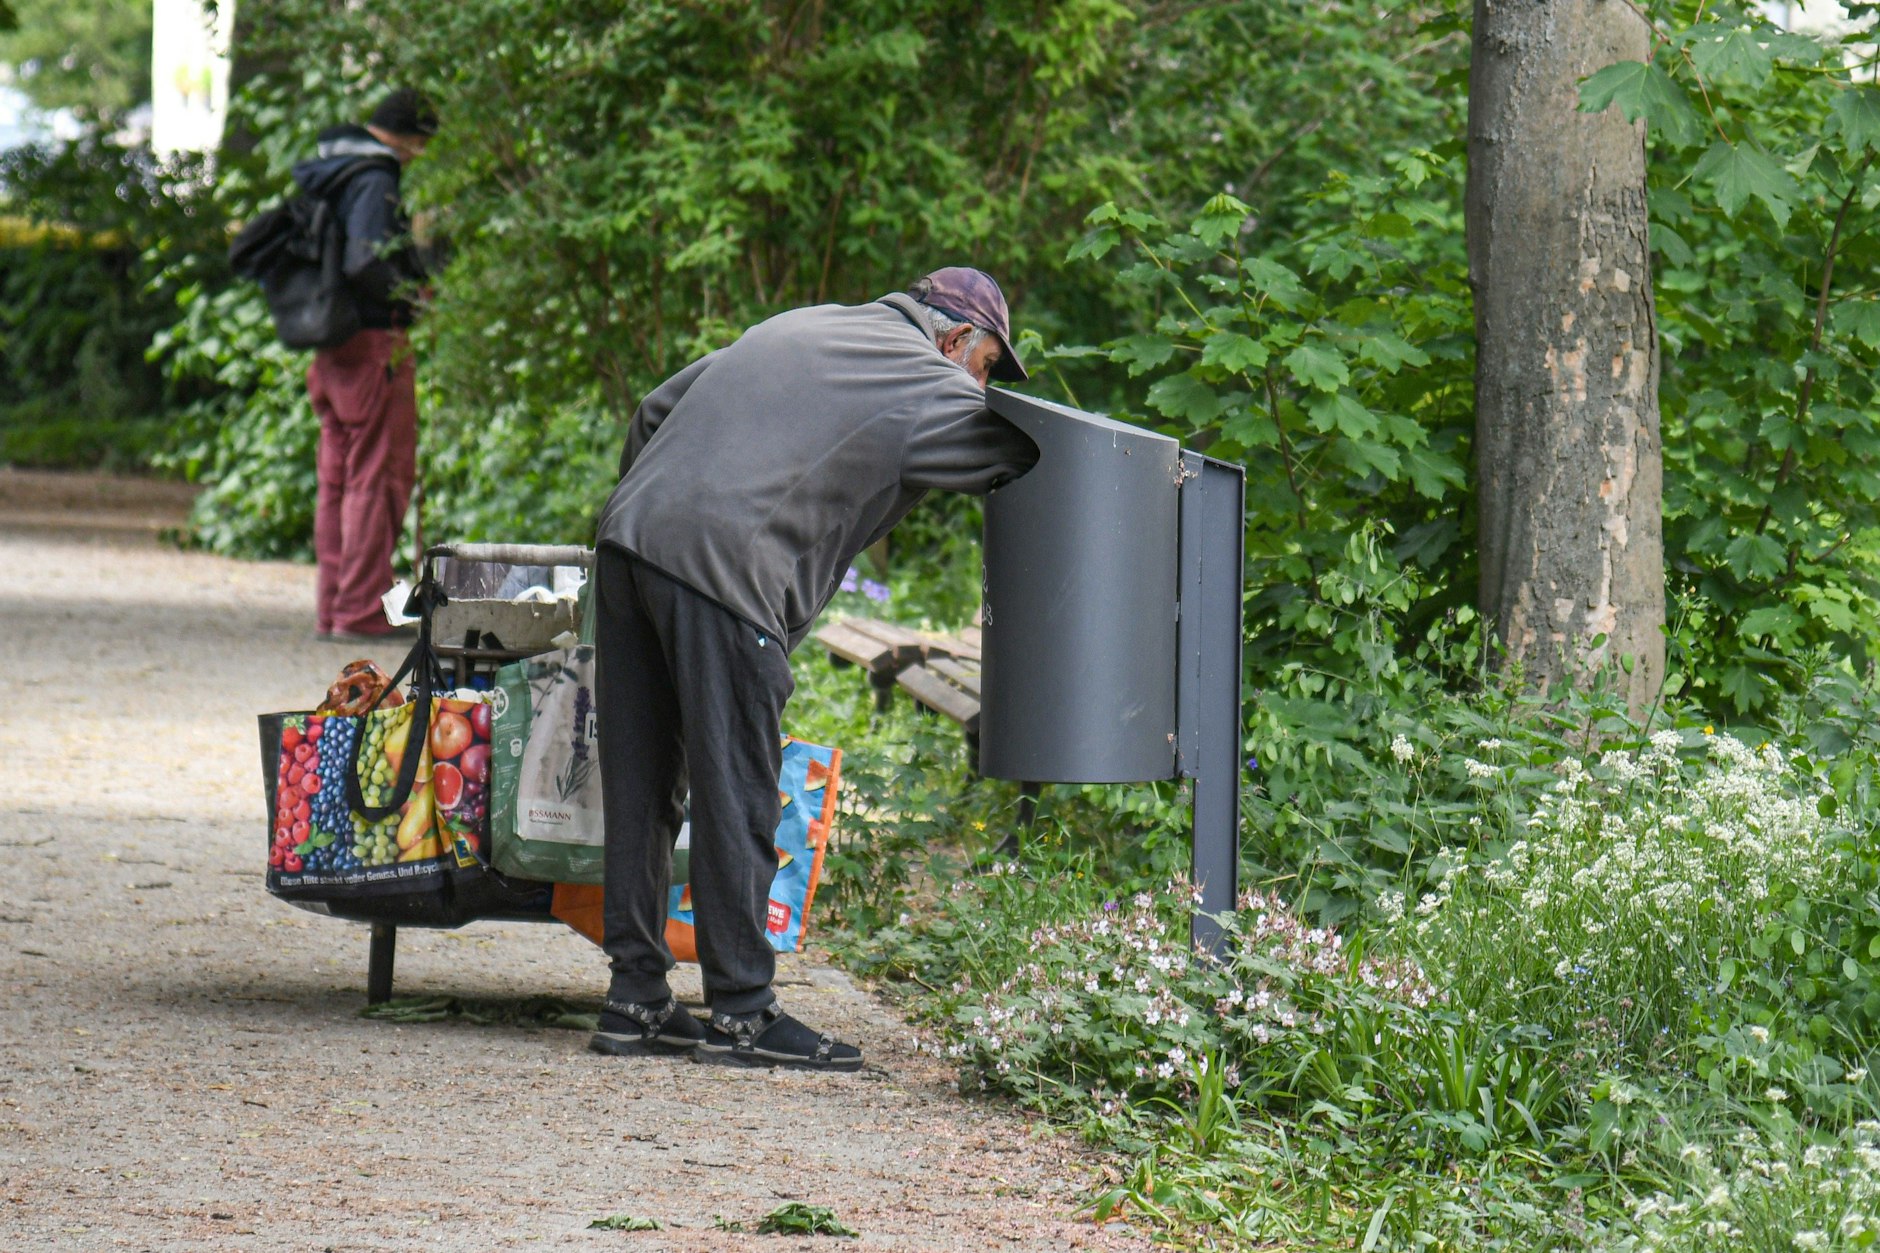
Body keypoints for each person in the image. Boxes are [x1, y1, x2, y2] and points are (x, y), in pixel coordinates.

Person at [589, 268, 1038, 1070]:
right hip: (727, 568)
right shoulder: (924, 370)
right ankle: (742, 1012)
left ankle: (635, 999)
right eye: (986, 367)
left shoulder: (806, 324)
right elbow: (1020, 452)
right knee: (738, 786)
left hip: (629, 542)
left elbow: (654, 409)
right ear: (954, 339)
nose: (980, 387)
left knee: (642, 781)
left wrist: (656, 525)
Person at [293, 88, 436, 640]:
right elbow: (364, 260)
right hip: (375, 344)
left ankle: (333, 609)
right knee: (377, 480)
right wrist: (413, 298)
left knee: (338, 480)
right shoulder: (376, 179)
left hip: (331, 347)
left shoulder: (332, 173)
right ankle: (359, 613)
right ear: (411, 139)